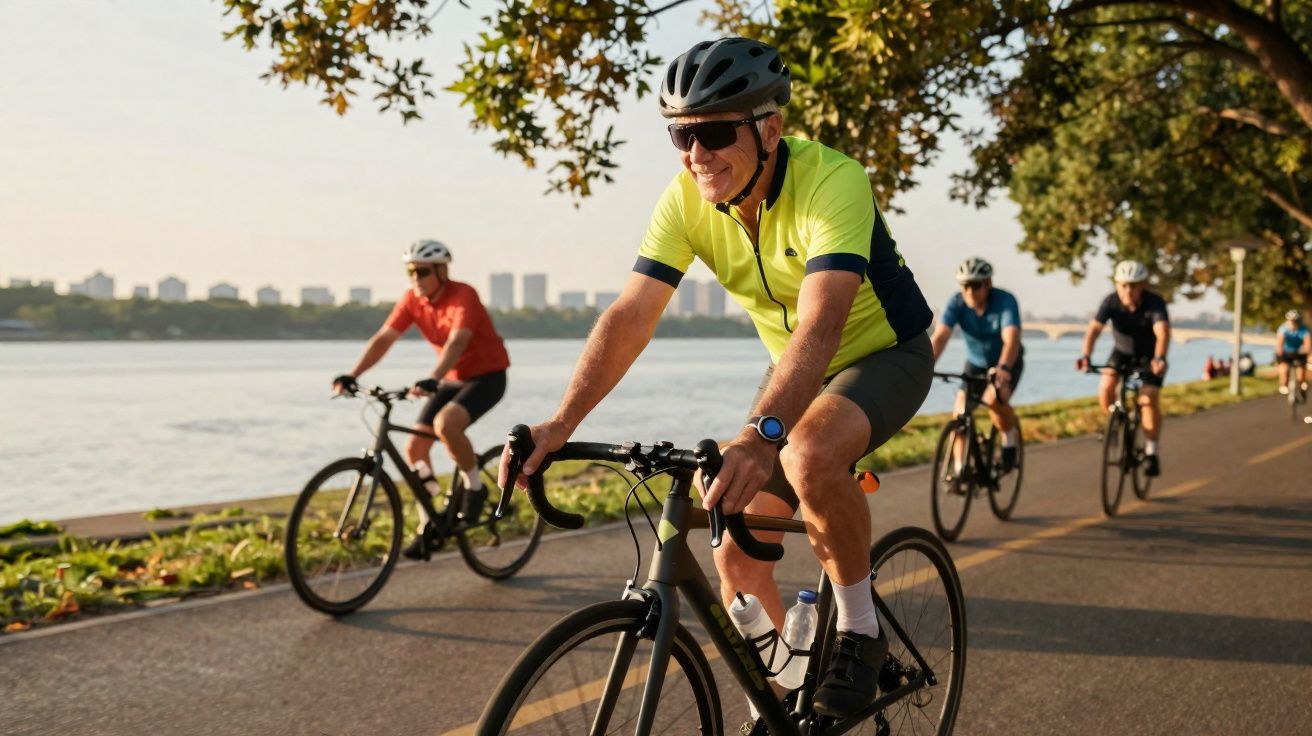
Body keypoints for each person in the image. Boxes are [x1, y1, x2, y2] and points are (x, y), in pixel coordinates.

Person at [500, 37, 934, 721]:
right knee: (734, 557)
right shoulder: (686, 198)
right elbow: (632, 315)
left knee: (808, 451)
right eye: (681, 134)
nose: (696, 154)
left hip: (884, 354)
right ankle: (788, 696)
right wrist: (561, 423)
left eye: (714, 131)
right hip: (793, 365)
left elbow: (822, 327)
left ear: (770, 128)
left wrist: (761, 437)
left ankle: (861, 629)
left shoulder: (833, 180)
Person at [333, 239, 510, 559]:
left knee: (447, 424)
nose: (416, 278)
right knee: (414, 448)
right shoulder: (413, 299)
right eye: (410, 272)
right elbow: (384, 338)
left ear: (442, 270)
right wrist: (353, 375)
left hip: (488, 376)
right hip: (451, 379)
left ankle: (475, 487)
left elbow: (458, 341)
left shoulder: (463, 294)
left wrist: (434, 377)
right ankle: (430, 520)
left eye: (422, 271)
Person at [1075, 259, 1170, 477]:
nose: (1128, 290)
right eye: (1123, 285)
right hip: (1122, 353)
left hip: (1150, 357)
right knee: (1106, 386)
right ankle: (1114, 423)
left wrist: (1160, 358)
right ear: (1117, 285)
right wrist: (1086, 356)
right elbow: (1094, 331)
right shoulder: (1110, 302)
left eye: (1133, 285)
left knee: (1148, 399)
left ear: (1142, 285)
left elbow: (1162, 332)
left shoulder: (1154, 303)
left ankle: (1152, 451)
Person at [929, 257, 1024, 471]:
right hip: (975, 363)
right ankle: (960, 469)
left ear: (988, 284)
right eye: (965, 286)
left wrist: (1004, 368)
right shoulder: (956, 303)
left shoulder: (1005, 301)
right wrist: (924, 365)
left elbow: (1012, 339)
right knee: (960, 414)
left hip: (1007, 361)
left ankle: (1009, 440)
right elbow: (941, 337)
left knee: (994, 400)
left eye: (976, 285)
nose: (970, 291)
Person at [1275, 309, 1310, 395]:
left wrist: (1308, 353)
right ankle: (1284, 385)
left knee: (1301, 374)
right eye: (1290, 321)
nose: (1292, 322)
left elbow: (1307, 342)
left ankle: (1302, 384)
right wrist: (1280, 353)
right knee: (1284, 370)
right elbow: (1280, 342)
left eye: (1294, 321)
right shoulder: (1283, 329)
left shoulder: (1304, 329)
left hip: (1300, 352)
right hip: (1286, 352)